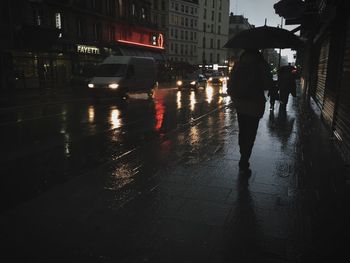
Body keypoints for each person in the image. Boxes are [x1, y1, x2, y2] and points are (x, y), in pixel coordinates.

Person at [227, 49, 273, 174]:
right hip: (255, 104)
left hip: (240, 103)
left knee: (243, 131)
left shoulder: (239, 64)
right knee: (251, 133)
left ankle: (243, 155)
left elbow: (230, 85)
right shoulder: (261, 65)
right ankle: (245, 158)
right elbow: (267, 85)